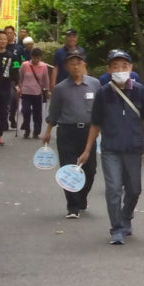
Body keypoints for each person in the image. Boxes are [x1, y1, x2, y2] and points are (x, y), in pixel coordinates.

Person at [78, 49, 144, 245]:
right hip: (110, 148)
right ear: (109, 70)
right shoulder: (103, 93)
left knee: (134, 189)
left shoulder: (139, 91)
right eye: (115, 66)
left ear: (130, 68)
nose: (120, 70)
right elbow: (95, 123)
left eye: (124, 66)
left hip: (133, 147)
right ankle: (117, 228)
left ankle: (126, 216)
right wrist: (87, 150)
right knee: (113, 189)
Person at [43, 49, 100, 219]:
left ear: (84, 65)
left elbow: (101, 109)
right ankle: (72, 206)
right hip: (67, 131)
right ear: (67, 66)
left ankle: (81, 197)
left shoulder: (95, 84)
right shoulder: (60, 88)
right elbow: (54, 111)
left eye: (78, 63)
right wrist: (48, 131)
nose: (75, 66)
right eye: (71, 63)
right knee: (68, 169)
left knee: (90, 170)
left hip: (89, 132)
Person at [18, 47, 51, 138]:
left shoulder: (43, 66)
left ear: (40, 57)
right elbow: (20, 77)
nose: (36, 60)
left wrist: (47, 90)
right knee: (26, 111)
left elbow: (46, 79)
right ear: (31, 56)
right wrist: (19, 87)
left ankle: (36, 132)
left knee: (37, 114)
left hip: (37, 92)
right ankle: (27, 129)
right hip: (26, 92)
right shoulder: (25, 65)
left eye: (38, 58)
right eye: (34, 57)